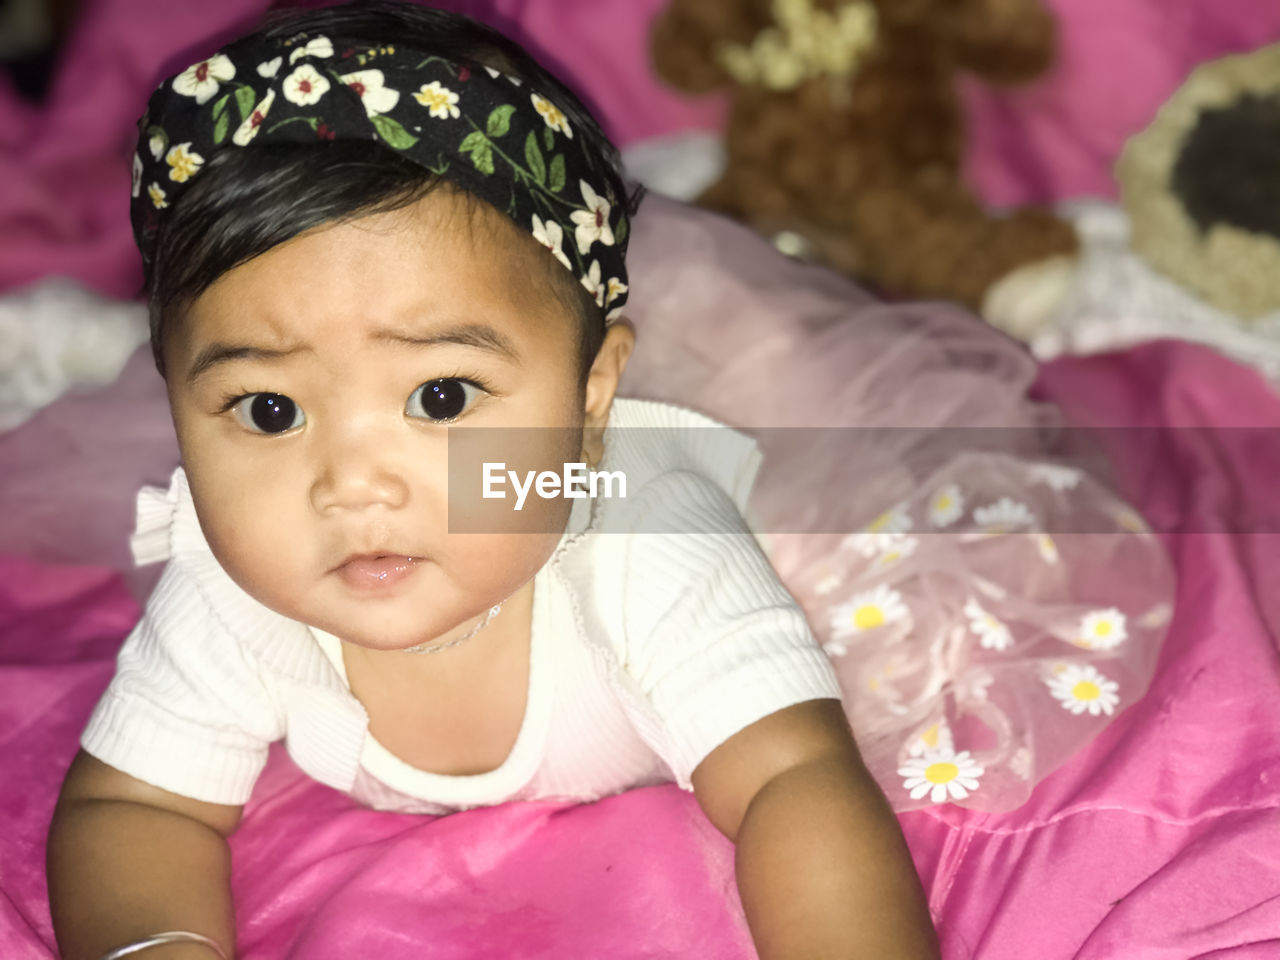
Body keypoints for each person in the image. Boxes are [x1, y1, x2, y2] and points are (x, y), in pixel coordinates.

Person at [45, 3, 941, 958]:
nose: (352, 486)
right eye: (271, 410)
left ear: (590, 402)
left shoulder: (647, 543)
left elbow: (791, 779)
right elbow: (129, 806)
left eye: (439, 397)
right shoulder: (233, 586)